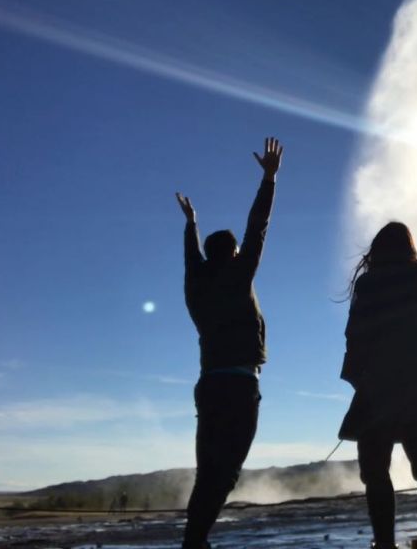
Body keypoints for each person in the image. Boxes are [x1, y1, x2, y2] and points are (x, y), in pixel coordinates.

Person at [176, 136, 283, 549]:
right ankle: (194, 541)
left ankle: (195, 541)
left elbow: (191, 258)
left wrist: (191, 225)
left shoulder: (195, 286)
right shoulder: (239, 276)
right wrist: (269, 180)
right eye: (240, 251)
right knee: (227, 471)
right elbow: (259, 227)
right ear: (235, 253)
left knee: (209, 472)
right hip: (239, 385)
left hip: (209, 385)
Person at [339, 222, 417, 549]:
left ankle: (384, 544)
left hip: (375, 384)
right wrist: (416, 370)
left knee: (375, 470)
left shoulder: (367, 283)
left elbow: (355, 337)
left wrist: (359, 379)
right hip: (414, 382)